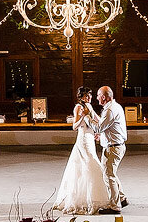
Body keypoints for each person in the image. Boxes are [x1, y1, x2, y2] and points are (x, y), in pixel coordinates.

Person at [53, 87, 107, 214]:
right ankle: (88, 199)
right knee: (91, 164)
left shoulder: (89, 106)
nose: (88, 98)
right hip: (83, 140)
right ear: (80, 97)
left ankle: (93, 197)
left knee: (87, 166)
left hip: (90, 139)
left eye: (90, 95)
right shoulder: (78, 107)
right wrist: (83, 116)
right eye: (86, 96)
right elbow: (74, 126)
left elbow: (98, 121)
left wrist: (97, 127)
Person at [88, 85, 128, 213]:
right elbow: (109, 128)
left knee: (108, 175)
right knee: (111, 173)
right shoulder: (114, 107)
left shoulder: (110, 110)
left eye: (98, 95)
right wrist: (102, 137)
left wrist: (86, 117)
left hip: (113, 148)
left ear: (104, 97)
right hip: (116, 145)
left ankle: (115, 206)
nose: (97, 98)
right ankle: (121, 198)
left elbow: (99, 127)